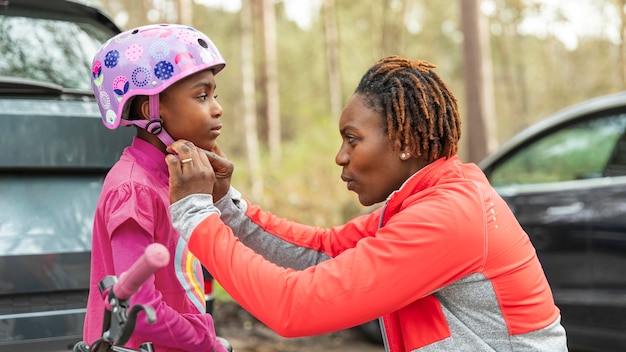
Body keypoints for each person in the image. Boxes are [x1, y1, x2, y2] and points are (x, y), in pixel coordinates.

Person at [165, 56, 568, 351]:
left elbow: (293, 306)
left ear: (406, 143)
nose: (341, 156)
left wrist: (194, 214)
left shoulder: (448, 217)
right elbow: (323, 252)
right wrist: (225, 205)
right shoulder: (431, 198)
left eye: (352, 139)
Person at [84, 23, 229, 352]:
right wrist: (206, 342)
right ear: (153, 111)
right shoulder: (133, 189)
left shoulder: (173, 178)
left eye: (214, 95)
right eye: (202, 96)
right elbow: (138, 309)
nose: (217, 108)